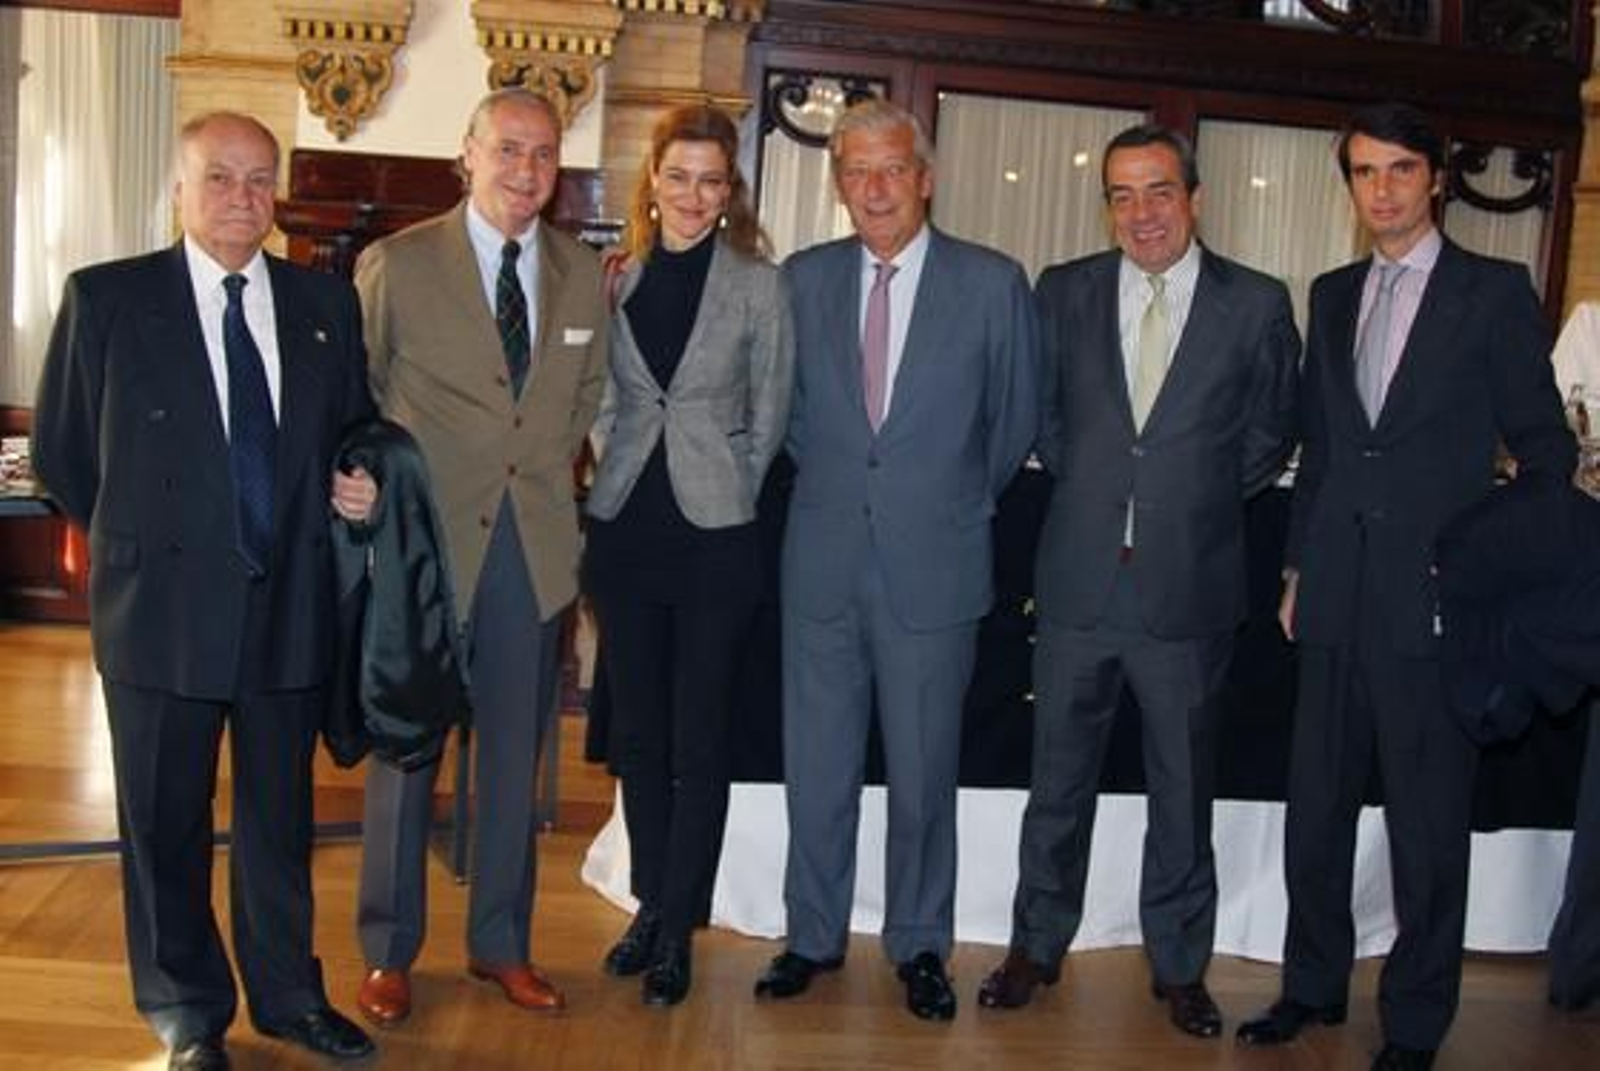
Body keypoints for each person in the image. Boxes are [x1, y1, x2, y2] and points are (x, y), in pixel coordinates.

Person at [31, 111, 377, 1071]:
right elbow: (66, 451)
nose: (241, 197)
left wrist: (364, 478)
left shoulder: (323, 303)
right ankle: (186, 1009)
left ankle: (288, 995)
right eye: (219, 177)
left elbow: (354, 429)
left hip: (287, 603)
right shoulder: (106, 300)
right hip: (160, 609)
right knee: (163, 819)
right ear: (177, 189)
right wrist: (146, 542)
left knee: (280, 821)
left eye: (260, 179)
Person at [1235, 102, 1575, 1071]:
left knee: (1428, 826)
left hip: (1436, 607)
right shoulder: (1332, 292)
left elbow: (1544, 448)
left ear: (1434, 177)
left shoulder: (1493, 292)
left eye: (1397, 171)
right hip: (1333, 592)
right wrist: (1297, 568)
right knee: (1316, 807)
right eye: (1361, 173)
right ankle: (1310, 986)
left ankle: (1416, 1024)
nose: (1378, 190)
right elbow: (1324, 445)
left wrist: (1494, 565)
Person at [976, 124, 1300, 1037]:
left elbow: (1271, 432)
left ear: (1194, 198)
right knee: (1057, 784)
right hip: (1080, 582)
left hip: (1189, 590)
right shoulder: (1065, 291)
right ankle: (1035, 944)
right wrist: (1108, 486)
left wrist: (1179, 496)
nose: (1141, 213)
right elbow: (1044, 416)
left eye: (1158, 191)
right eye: (1121, 195)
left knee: (1183, 788)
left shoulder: (1257, 304)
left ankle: (1181, 965)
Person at [753, 98, 1039, 1022]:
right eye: (855, 173)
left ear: (926, 176)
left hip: (937, 563)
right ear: (838, 185)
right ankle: (812, 934)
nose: (874, 189)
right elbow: (786, 416)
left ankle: (920, 943)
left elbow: (1013, 424)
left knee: (924, 774)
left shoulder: (993, 284)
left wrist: (943, 497)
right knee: (818, 764)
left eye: (890, 170)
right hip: (824, 559)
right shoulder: (799, 279)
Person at [351, 87, 608, 1026]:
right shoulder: (399, 263)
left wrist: (531, 469)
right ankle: (387, 951)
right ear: (468, 154)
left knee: (510, 762)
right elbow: (364, 394)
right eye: (507, 149)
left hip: (531, 549)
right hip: (424, 544)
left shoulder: (584, 277)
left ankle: (501, 943)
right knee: (405, 749)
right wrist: (376, 490)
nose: (526, 170)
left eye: (542, 154)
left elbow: (580, 403)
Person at [583, 104, 794, 1007]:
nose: (695, 194)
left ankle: (680, 924)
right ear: (653, 181)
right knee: (637, 736)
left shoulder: (758, 283)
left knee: (698, 738)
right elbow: (596, 391)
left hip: (716, 538)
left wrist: (729, 484)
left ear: (729, 188)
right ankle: (648, 903)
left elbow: (773, 409)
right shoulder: (616, 276)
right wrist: (611, 456)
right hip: (626, 525)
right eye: (680, 176)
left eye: (712, 179)